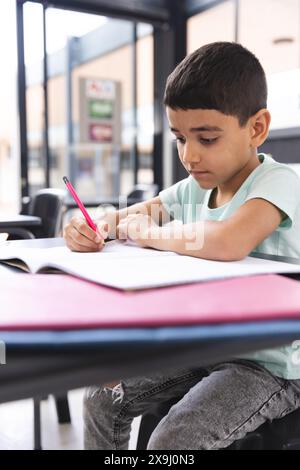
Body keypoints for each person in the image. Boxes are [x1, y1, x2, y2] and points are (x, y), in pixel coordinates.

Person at [63, 42, 300, 450]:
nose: (189, 155)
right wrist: (89, 227)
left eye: (206, 138)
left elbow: (228, 240)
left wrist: (148, 234)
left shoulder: (278, 182)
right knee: (101, 398)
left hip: (273, 364)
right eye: (180, 138)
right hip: (209, 346)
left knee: (172, 441)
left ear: (256, 128)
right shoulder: (192, 188)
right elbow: (121, 217)